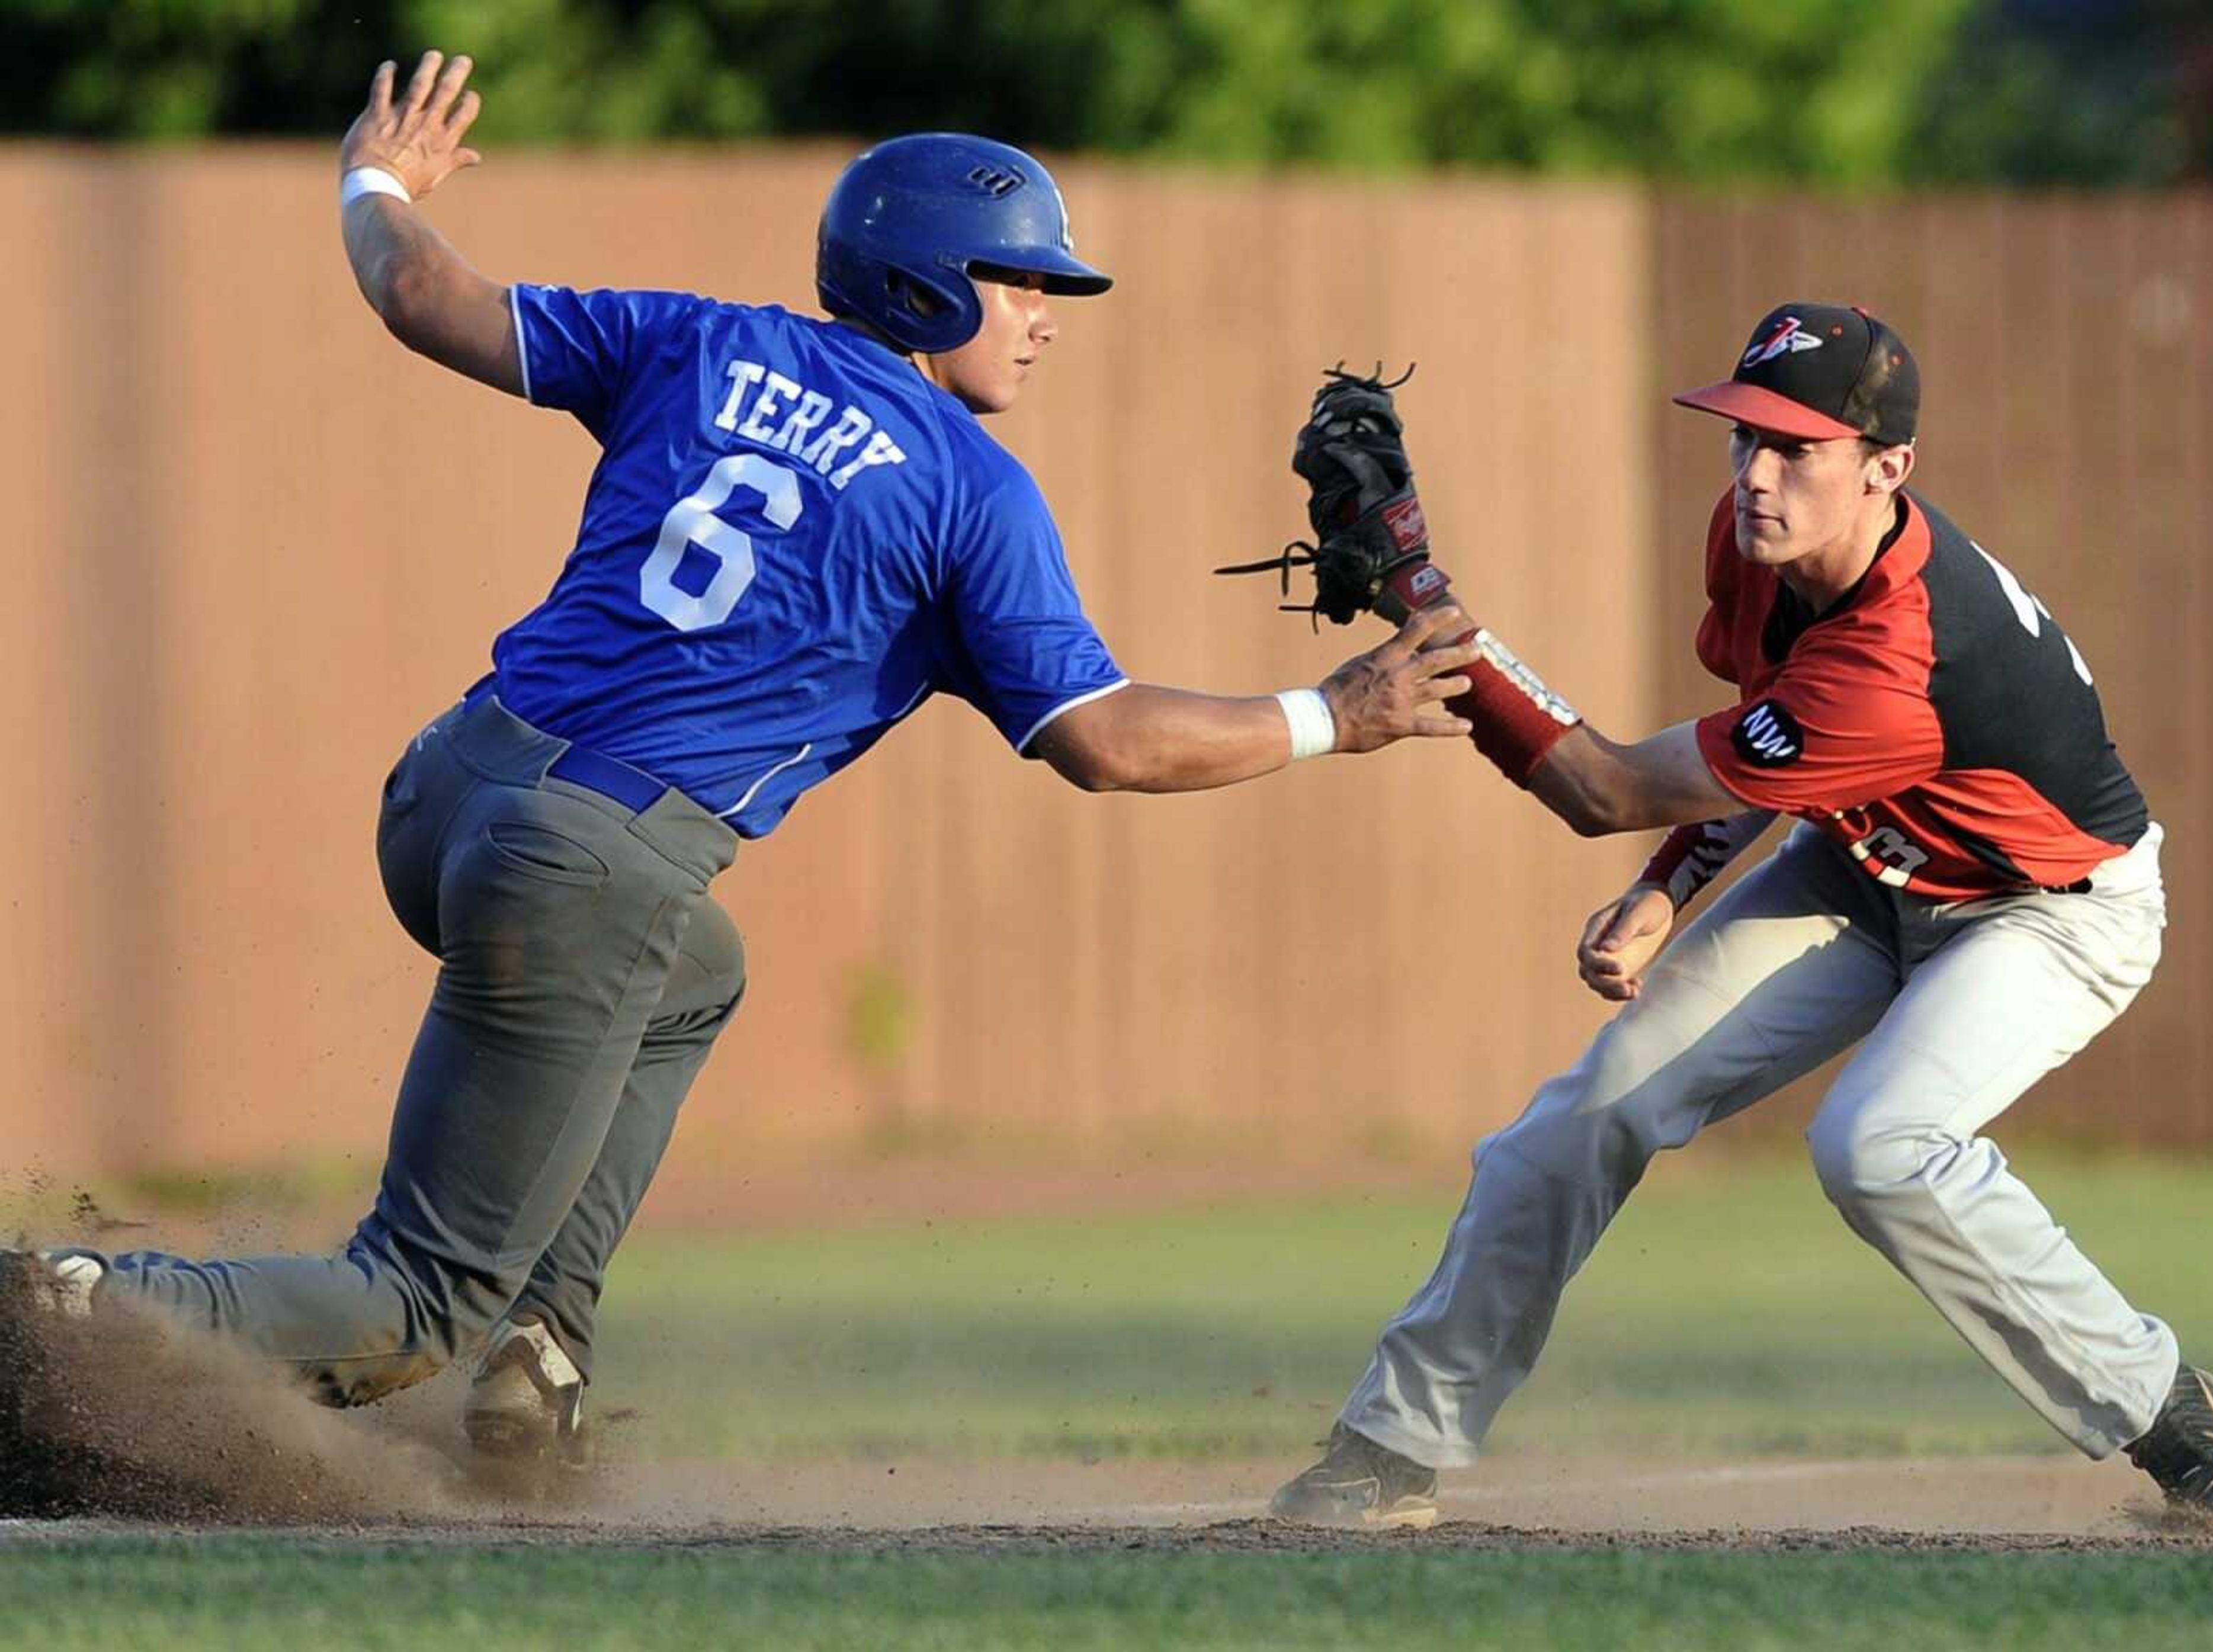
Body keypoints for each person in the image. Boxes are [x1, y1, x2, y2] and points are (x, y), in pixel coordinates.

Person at [0, 53, 1480, 1472]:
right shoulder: (971, 492)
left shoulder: (696, 339)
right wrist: (1330, 716)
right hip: (582, 864)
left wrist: (375, 185)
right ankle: (71, 1305)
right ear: (926, 282)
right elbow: (1106, 742)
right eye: (1020, 278)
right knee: (408, 1309)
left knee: (697, 965)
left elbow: (423, 296)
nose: (1045, 312)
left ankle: (542, 1360)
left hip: (449, 789)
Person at [1266, 301, 2213, 1527]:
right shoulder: (1763, 546)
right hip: (1861, 866)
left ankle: (2178, 1422)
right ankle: (1389, 1451)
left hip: (2044, 912)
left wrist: (1428, 600)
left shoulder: (1903, 652)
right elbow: (1759, 752)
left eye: (1797, 448)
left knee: (1878, 1146)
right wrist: (1665, 890)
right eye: (1746, 436)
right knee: (1583, 1118)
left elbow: (1609, 788)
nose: (1757, 473)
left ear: (1888, 471)